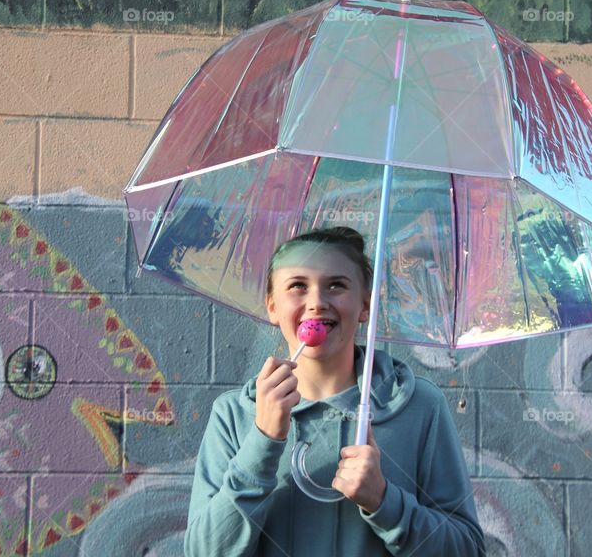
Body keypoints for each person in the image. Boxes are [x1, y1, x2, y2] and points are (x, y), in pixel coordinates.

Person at [184, 226, 486, 556]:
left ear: (365, 306)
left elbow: (467, 549)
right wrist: (262, 440)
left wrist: (384, 502)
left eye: (336, 286)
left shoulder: (421, 407)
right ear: (272, 306)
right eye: (298, 286)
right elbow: (204, 551)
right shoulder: (234, 415)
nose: (317, 302)